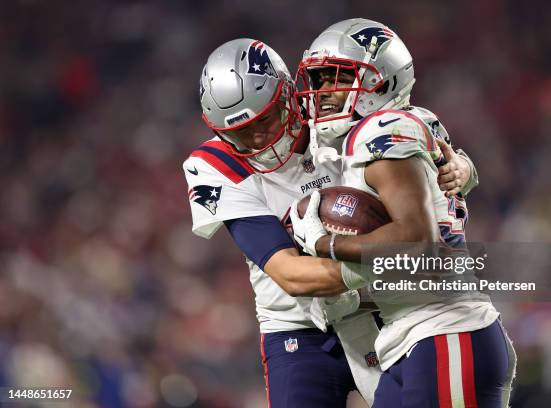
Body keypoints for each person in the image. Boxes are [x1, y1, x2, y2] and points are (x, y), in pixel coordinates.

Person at [186, 37, 477, 406]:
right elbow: (290, 274)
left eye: (265, 120)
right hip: (300, 329)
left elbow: (411, 131)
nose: (258, 139)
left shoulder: (335, 110)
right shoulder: (214, 167)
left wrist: (460, 168)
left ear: (289, 94)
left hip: (382, 310)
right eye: (240, 134)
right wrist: (387, 258)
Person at [289, 18, 516, 407]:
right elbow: (447, 181)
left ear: (382, 79)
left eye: (336, 78)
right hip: (415, 334)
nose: (323, 92)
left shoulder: (379, 132)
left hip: (446, 330)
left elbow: (416, 242)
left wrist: (327, 243)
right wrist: (466, 169)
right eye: (320, 80)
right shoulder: (413, 122)